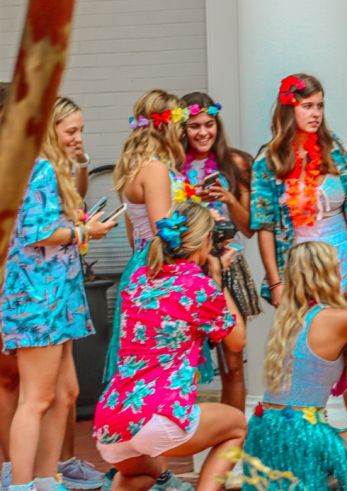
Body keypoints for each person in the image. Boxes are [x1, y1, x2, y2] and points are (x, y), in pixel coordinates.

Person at [1, 97, 117, 490]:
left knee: (66, 391)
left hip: (59, 293)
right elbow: (36, 233)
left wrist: (80, 226)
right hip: (38, 295)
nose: (77, 137)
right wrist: (87, 232)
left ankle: (47, 478)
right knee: (35, 397)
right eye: (71, 131)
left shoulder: (51, 168)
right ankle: (21, 483)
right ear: (49, 130)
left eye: (81, 130)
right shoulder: (39, 168)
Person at [93, 202, 246, 491]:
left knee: (137, 475)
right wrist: (219, 281)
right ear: (204, 241)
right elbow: (237, 340)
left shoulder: (139, 280)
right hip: (161, 415)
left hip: (110, 421)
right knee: (236, 426)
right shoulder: (198, 286)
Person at [241, 241, 347, 490]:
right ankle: (331, 481)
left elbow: (345, 327)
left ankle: (320, 480)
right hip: (306, 437)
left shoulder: (289, 318)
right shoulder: (335, 320)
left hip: (267, 434)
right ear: (327, 274)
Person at [103, 89, 199, 490]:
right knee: (158, 368)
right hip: (158, 270)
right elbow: (167, 232)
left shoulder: (136, 167)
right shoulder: (157, 169)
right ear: (168, 124)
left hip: (138, 266)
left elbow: (133, 233)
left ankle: (133, 462)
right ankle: (152, 469)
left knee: (137, 368)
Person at [181, 91, 261, 412]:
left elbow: (250, 227)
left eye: (209, 124)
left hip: (228, 265)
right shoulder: (173, 167)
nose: (203, 132)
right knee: (184, 359)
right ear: (181, 130)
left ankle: (234, 439)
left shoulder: (237, 163)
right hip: (190, 269)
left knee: (233, 360)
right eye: (194, 126)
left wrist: (228, 200)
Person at [251, 73, 347, 308]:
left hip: (343, 257)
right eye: (307, 106)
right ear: (289, 109)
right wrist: (275, 283)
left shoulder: (336, 150)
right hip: (299, 261)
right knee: (307, 335)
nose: (316, 113)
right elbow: (265, 227)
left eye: (320, 106)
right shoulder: (268, 162)